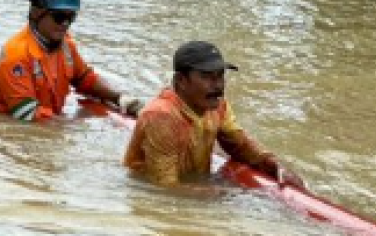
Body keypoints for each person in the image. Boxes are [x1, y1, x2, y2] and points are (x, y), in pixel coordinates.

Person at [124, 40, 304, 188]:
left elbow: (240, 146)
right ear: (181, 81)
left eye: (220, 76)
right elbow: (165, 189)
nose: (218, 85)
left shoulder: (218, 106)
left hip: (193, 182)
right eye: (207, 77)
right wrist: (220, 196)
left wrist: (276, 168)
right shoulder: (162, 116)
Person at [0, 0, 143, 121]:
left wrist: (120, 98)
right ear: (36, 12)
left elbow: (85, 79)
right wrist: (79, 124)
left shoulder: (65, 45)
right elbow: (29, 119)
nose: (65, 24)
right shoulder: (15, 57)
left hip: (48, 119)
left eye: (71, 17)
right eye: (59, 17)